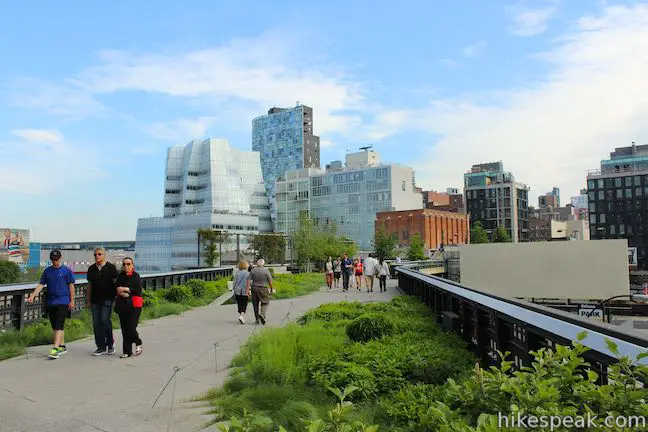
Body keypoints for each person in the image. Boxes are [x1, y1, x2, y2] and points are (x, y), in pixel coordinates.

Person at [27, 249, 75, 359]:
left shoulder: (66, 271)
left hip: (63, 300)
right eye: (53, 260)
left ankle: (55, 349)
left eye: (57, 259)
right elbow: (41, 284)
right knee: (55, 325)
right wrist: (33, 295)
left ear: (60, 258)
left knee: (58, 323)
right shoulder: (47, 271)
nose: (55, 262)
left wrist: (72, 300)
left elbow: (71, 286)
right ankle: (62, 346)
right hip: (51, 301)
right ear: (51, 260)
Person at [86, 247, 119, 356]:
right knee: (96, 323)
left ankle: (110, 344)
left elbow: (116, 284)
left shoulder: (111, 268)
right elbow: (89, 286)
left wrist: (116, 298)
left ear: (104, 255)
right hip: (95, 300)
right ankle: (100, 346)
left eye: (99, 254)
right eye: (95, 254)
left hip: (108, 299)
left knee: (105, 320)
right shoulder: (91, 269)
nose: (97, 256)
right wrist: (88, 301)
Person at [114, 257, 143, 358]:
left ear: (132, 265)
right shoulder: (121, 276)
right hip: (123, 304)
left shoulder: (136, 276)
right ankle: (127, 351)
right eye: (124, 264)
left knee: (131, 327)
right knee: (124, 328)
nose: (126, 266)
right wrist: (123, 292)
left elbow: (138, 290)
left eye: (128, 264)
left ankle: (138, 342)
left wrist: (126, 289)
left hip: (135, 305)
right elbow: (117, 289)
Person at [247, 259, 274, 325]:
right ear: (263, 264)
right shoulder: (266, 271)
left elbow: (248, 280)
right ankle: (262, 314)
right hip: (263, 288)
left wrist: (247, 289)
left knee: (255, 304)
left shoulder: (253, 270)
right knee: (265, 302)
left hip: (254, 288)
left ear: (257, 264)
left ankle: (257, 320)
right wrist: (271, 289)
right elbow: (270, 281)